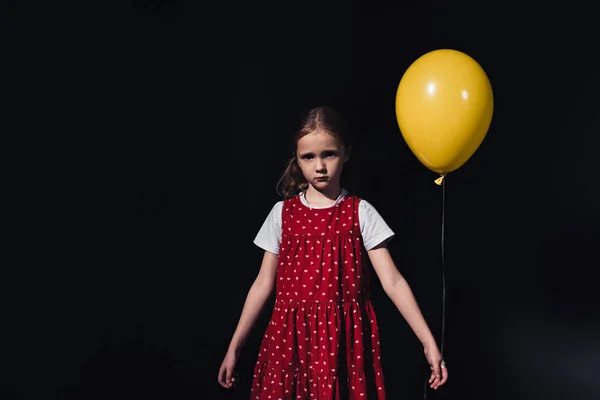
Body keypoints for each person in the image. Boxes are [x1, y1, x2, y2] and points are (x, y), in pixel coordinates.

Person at [217, 106, 448, 398]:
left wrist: (428, 342)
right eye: (308, 157)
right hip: (289, 343)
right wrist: (234, 348)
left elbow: (393, 282)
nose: (320, 166)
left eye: (329, 154)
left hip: (342, 345)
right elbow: (263, 284)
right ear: (297, 160)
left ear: (346, 153)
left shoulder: (360, 212)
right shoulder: (282, 214)